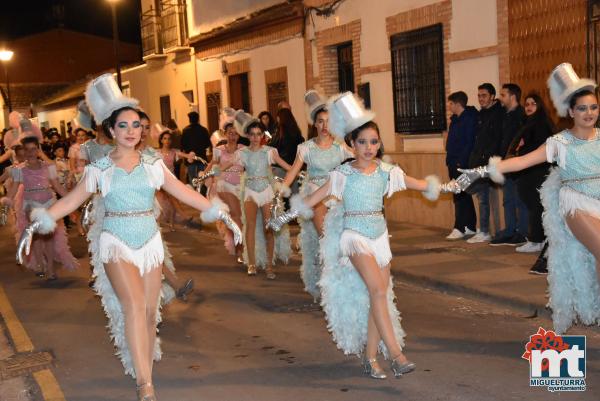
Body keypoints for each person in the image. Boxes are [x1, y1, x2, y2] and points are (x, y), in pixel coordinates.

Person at [16, 74, 241, 400]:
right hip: (116, 243)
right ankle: (145, 384)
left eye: (137, 124)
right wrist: (40, 221)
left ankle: (144, 369)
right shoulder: (99, 169)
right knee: (134, 307)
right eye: (124, 125)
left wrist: (221, 213)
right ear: (111, 130)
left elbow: (184, 192)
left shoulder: (153, 164)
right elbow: (70, 200)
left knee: (150, 312)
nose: (132, 130)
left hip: (150, 243)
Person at [268, 92, 459, 378]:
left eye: (373, 142)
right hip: (354, 236)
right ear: (352, 145)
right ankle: (396, 354)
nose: (369, 148)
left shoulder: (386, 171)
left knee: (378, 296)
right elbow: (312, 199)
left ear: (378, 144)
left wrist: (449, 186)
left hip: (379, 237)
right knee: (378, 291)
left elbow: (419, 184)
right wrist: (283, 215)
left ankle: (370, 358)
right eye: (362, 142)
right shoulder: (342, 174)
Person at [456, 63, 600, 334]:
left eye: (593, 107)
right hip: (575, 204)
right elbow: (520, 162)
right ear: (571, 111)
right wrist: (481, 170)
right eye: (582, 108)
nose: (589, 113)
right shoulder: (561, 142)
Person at [279, 90, 353, 299]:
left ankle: (340, 278)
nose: (324, 126)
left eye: (328, 121)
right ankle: (326, 281)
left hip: (337, 196)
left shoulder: (340, 147)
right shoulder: (306, 148)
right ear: (315, 124)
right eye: (320, 121)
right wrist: (282, 190)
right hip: (314, 196)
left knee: (341, 239)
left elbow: (361, 157)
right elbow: (293, 171)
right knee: (325, 238)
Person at [223, 110, 292, 278]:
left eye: (258, 134)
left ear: (262, 135)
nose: (255, 137)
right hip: (250, 192)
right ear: (247, 135)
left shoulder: (270, 151)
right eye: (252, 134)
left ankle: (269, 266)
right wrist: (210, 172)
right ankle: (252, 264)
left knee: (269, 229)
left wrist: (302, 172)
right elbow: (225, 165)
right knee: (251, 227)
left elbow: (288, 167)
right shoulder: (242, 153)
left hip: (267, 191)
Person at [4, 136, 78, 279]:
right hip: (30, 204)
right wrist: (7, 200)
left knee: (48, 237)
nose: (31, 152)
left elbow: (57, 186)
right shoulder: (19, 170)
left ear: (38, 150)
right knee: (37, 236)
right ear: (23, 152)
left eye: (34, 149)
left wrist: (72, 199)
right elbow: (13, 190)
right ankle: (39, 263)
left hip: (49, 203)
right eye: (27, 150)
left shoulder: (49, 167)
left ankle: (50, 268)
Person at [509, 93, 554, 258]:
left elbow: (541, 148)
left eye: (533, 104)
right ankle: (537, 239)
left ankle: (537, 240)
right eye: (527, 104)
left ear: (540, 105)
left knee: (536, 205)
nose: (528, 107)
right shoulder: (529, 122)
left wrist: (523, 147)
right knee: (532, 205)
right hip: (529, 170)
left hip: (537, 170)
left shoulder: (541, 123)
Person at [490, 83, 528, 246]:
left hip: (518, 165)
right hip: (505, 163)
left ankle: (523, 232)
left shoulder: (522, 116)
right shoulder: (505, 115)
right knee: (508, 200)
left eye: (503, 95)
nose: (500, 98)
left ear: (512, 97)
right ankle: (510, 230)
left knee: (520, 200)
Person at [204, 115, 245, 262]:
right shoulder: (219, 150)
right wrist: (205, 175)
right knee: (235, 217)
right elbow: (212, 164)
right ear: (225, 134)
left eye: (236, 133)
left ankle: (238, 244)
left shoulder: (243, 150)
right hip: (224, 187)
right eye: (230, 133)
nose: (233, 136)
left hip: (241, 186)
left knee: (236, 219)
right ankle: (240, 250)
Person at [466, 83, 504, 243]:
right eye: (479, 95)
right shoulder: (481, 114)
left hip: (489, 162)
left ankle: (485, 231)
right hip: (477, 161)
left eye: (484, 95)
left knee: (483, 197)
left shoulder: (498, 114)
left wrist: (488, 158)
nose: (481, 99)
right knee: (480, 195)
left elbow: (496, 139)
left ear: (492, 96)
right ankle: (483, 229)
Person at [445, 91, 478, 240]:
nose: (448, 106)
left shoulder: (469, 119)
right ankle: (470, 226)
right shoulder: (455, 119)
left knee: (459, 195)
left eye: (450, 103)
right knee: (462, 194)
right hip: (452, 161)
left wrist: (461, 161)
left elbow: (469, 142)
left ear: (458, 104)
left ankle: (459, 227)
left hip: (461, 163)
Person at [181, 111, 211, 184]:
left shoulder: (185, 131)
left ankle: (193, 194)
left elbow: (182, 145)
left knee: (192, 181)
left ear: (189, 120)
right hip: (202, 158)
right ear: (198, 119)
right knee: (202, 180)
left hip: (190, 160)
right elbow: (208, 144)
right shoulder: (204, 130)